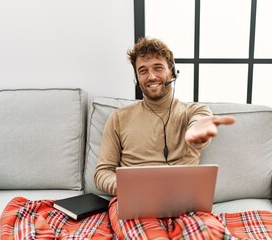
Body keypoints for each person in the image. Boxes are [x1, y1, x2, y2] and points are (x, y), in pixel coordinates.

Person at [94, 37, 236, 239]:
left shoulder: (194, 111)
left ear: (172, 71)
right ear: (137, 78)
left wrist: (196, 133)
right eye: (143, 70)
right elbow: (102, 172)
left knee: (210, 236)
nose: (151, 76)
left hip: (186, 204)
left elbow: (199, 125)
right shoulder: (118, 118)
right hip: (135, 203)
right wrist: (129, 187)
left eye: (158, 68)